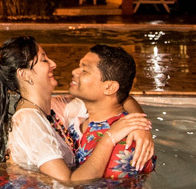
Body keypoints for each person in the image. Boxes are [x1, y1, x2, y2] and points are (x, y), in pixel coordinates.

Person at [0, 36, 152, 183]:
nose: (54, 64)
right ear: (25, 74)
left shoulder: (55, 107)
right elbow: (69, 182)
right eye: (44, 60)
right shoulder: (29, 120)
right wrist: (110, 137)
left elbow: (119, 97)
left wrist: (140, 124)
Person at [63, 44, 157, 179]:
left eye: (84, 70)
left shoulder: (126, 146)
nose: (74, 71)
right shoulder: (83, 119)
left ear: (109, 87)